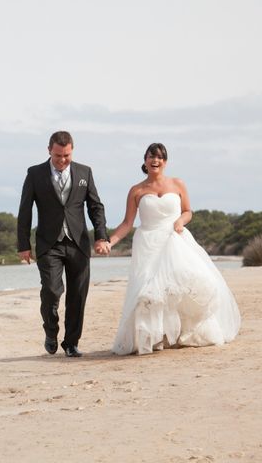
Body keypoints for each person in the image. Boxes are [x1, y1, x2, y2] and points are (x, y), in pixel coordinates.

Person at [107, 143, 241, 355]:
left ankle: (185, 333)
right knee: (149, 292)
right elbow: (127, 223)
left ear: (165, 162)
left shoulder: (177, 184)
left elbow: (188, 211)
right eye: (152, 156)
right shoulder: (137, 190)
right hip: (148, 244)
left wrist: (180, 221)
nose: (155, 160)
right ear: (145, 160)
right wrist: (110, 241)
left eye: (160, 157)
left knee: (185, 285)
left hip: (175, 240)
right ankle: (155, 338)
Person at [17, 130, 110, 357]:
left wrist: (101, 236)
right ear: (49, 150)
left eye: (66, 155)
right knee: (51, 290)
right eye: (58, 155)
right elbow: (25, 210)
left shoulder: (84, 172)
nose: (62, 160)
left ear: (72, 151)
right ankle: (51, 331)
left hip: (78, 242)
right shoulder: (35, 173)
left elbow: (95, 207)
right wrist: (23, 245)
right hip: (49, 243)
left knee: (78, 294)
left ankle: (71, 343)